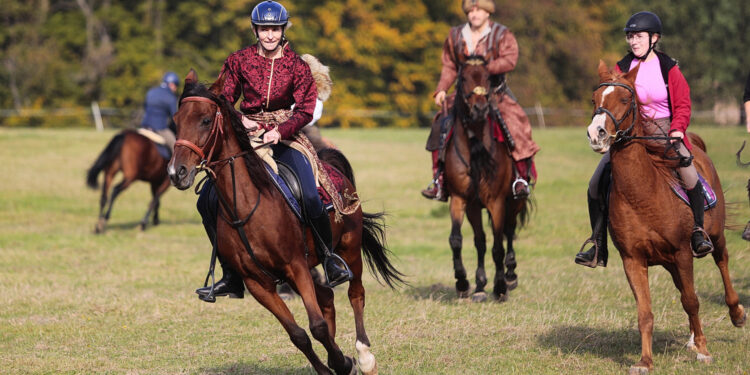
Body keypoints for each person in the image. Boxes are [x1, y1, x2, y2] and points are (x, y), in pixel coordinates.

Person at [194, 0, 352, 301]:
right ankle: (230, 276)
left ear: (283, 30)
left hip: (286, 136)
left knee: (308, 194)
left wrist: (280, 130)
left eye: (275, 29)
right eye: (264, 29)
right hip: (247, 135)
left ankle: (329, 259)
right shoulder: (237, 61)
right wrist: (243, 122)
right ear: (256, 30)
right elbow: (224, 99)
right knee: (206, 199)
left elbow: (306, 109)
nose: (269, 35)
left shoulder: (297, 66)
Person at [574, 11, 713, 268]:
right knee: (595, 184)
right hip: (630, 135)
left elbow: (682, 104)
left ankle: (697, 232)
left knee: (690, 173)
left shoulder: (668, 68)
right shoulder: (621, 68)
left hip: (665, 131)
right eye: (630, 36)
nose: (633, 41)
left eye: (638, 36)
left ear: (654, 38)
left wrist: (678, 130)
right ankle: (597, 246)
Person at [421, 0, 540, 201]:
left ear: (488, 13)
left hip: (495, 94)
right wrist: (442, 89)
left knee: (515, 123)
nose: (474, 13)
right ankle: (439, 179)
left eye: (479, 9)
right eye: (471, 10)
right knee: (441, 123)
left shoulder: (502, 34)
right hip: (465, 96)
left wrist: (484, 68)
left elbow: (510, 59)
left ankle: (520, 177)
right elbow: (449, 66)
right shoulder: (456, 35)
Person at [141, 72, 179, 152]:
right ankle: (174, 164)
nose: (176, 89)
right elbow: (174, 117)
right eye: (176, 86)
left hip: (145, 126)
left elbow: (145, 107)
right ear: (172, 84)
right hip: (160, 128)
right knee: (175, 147)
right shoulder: (171, 97)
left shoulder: (151, 92)